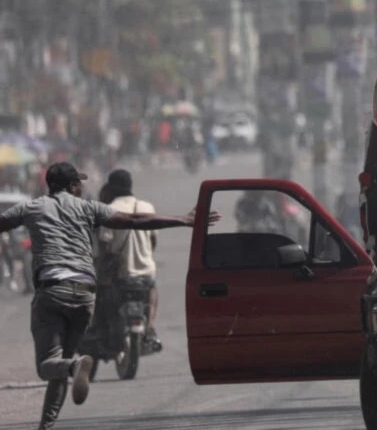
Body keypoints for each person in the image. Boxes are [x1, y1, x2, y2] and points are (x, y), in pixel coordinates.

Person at [0, 162, 219, 429]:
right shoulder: (88, 207)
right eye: (78, 183)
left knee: (48, 364)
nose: (81, 187)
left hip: (53, 291)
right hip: (84, 294)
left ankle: (75, 365)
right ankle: (47, 423)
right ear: (72, 186)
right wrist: (183, 220)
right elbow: (134, 221)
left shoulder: (32, 207)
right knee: (62, 363)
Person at [96, 169, 162, 348]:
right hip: (146, 272)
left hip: (122, 274)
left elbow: (104, 245)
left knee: (103, 298)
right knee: (153, 289)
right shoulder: (147, 207)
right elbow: (153, 241)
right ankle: (150, 328)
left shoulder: (109, 210)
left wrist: (99, 265)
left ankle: (108, 331)